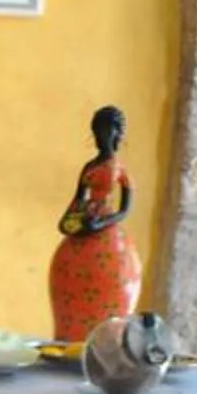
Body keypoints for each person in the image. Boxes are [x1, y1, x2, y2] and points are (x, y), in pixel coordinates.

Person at [48, 104, 143, 345]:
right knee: (71, 286)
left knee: (109, 295)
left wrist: (101, 224)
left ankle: (105, 348)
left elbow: (124, 210)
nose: (102, 136)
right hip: (82, 229)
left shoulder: (120, 170)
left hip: (108, 235)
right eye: (97, 130)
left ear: (117, 133)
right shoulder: (89, 167)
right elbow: (79, 198)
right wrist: (68, 220)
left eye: (107, 130)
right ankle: (69, 344)